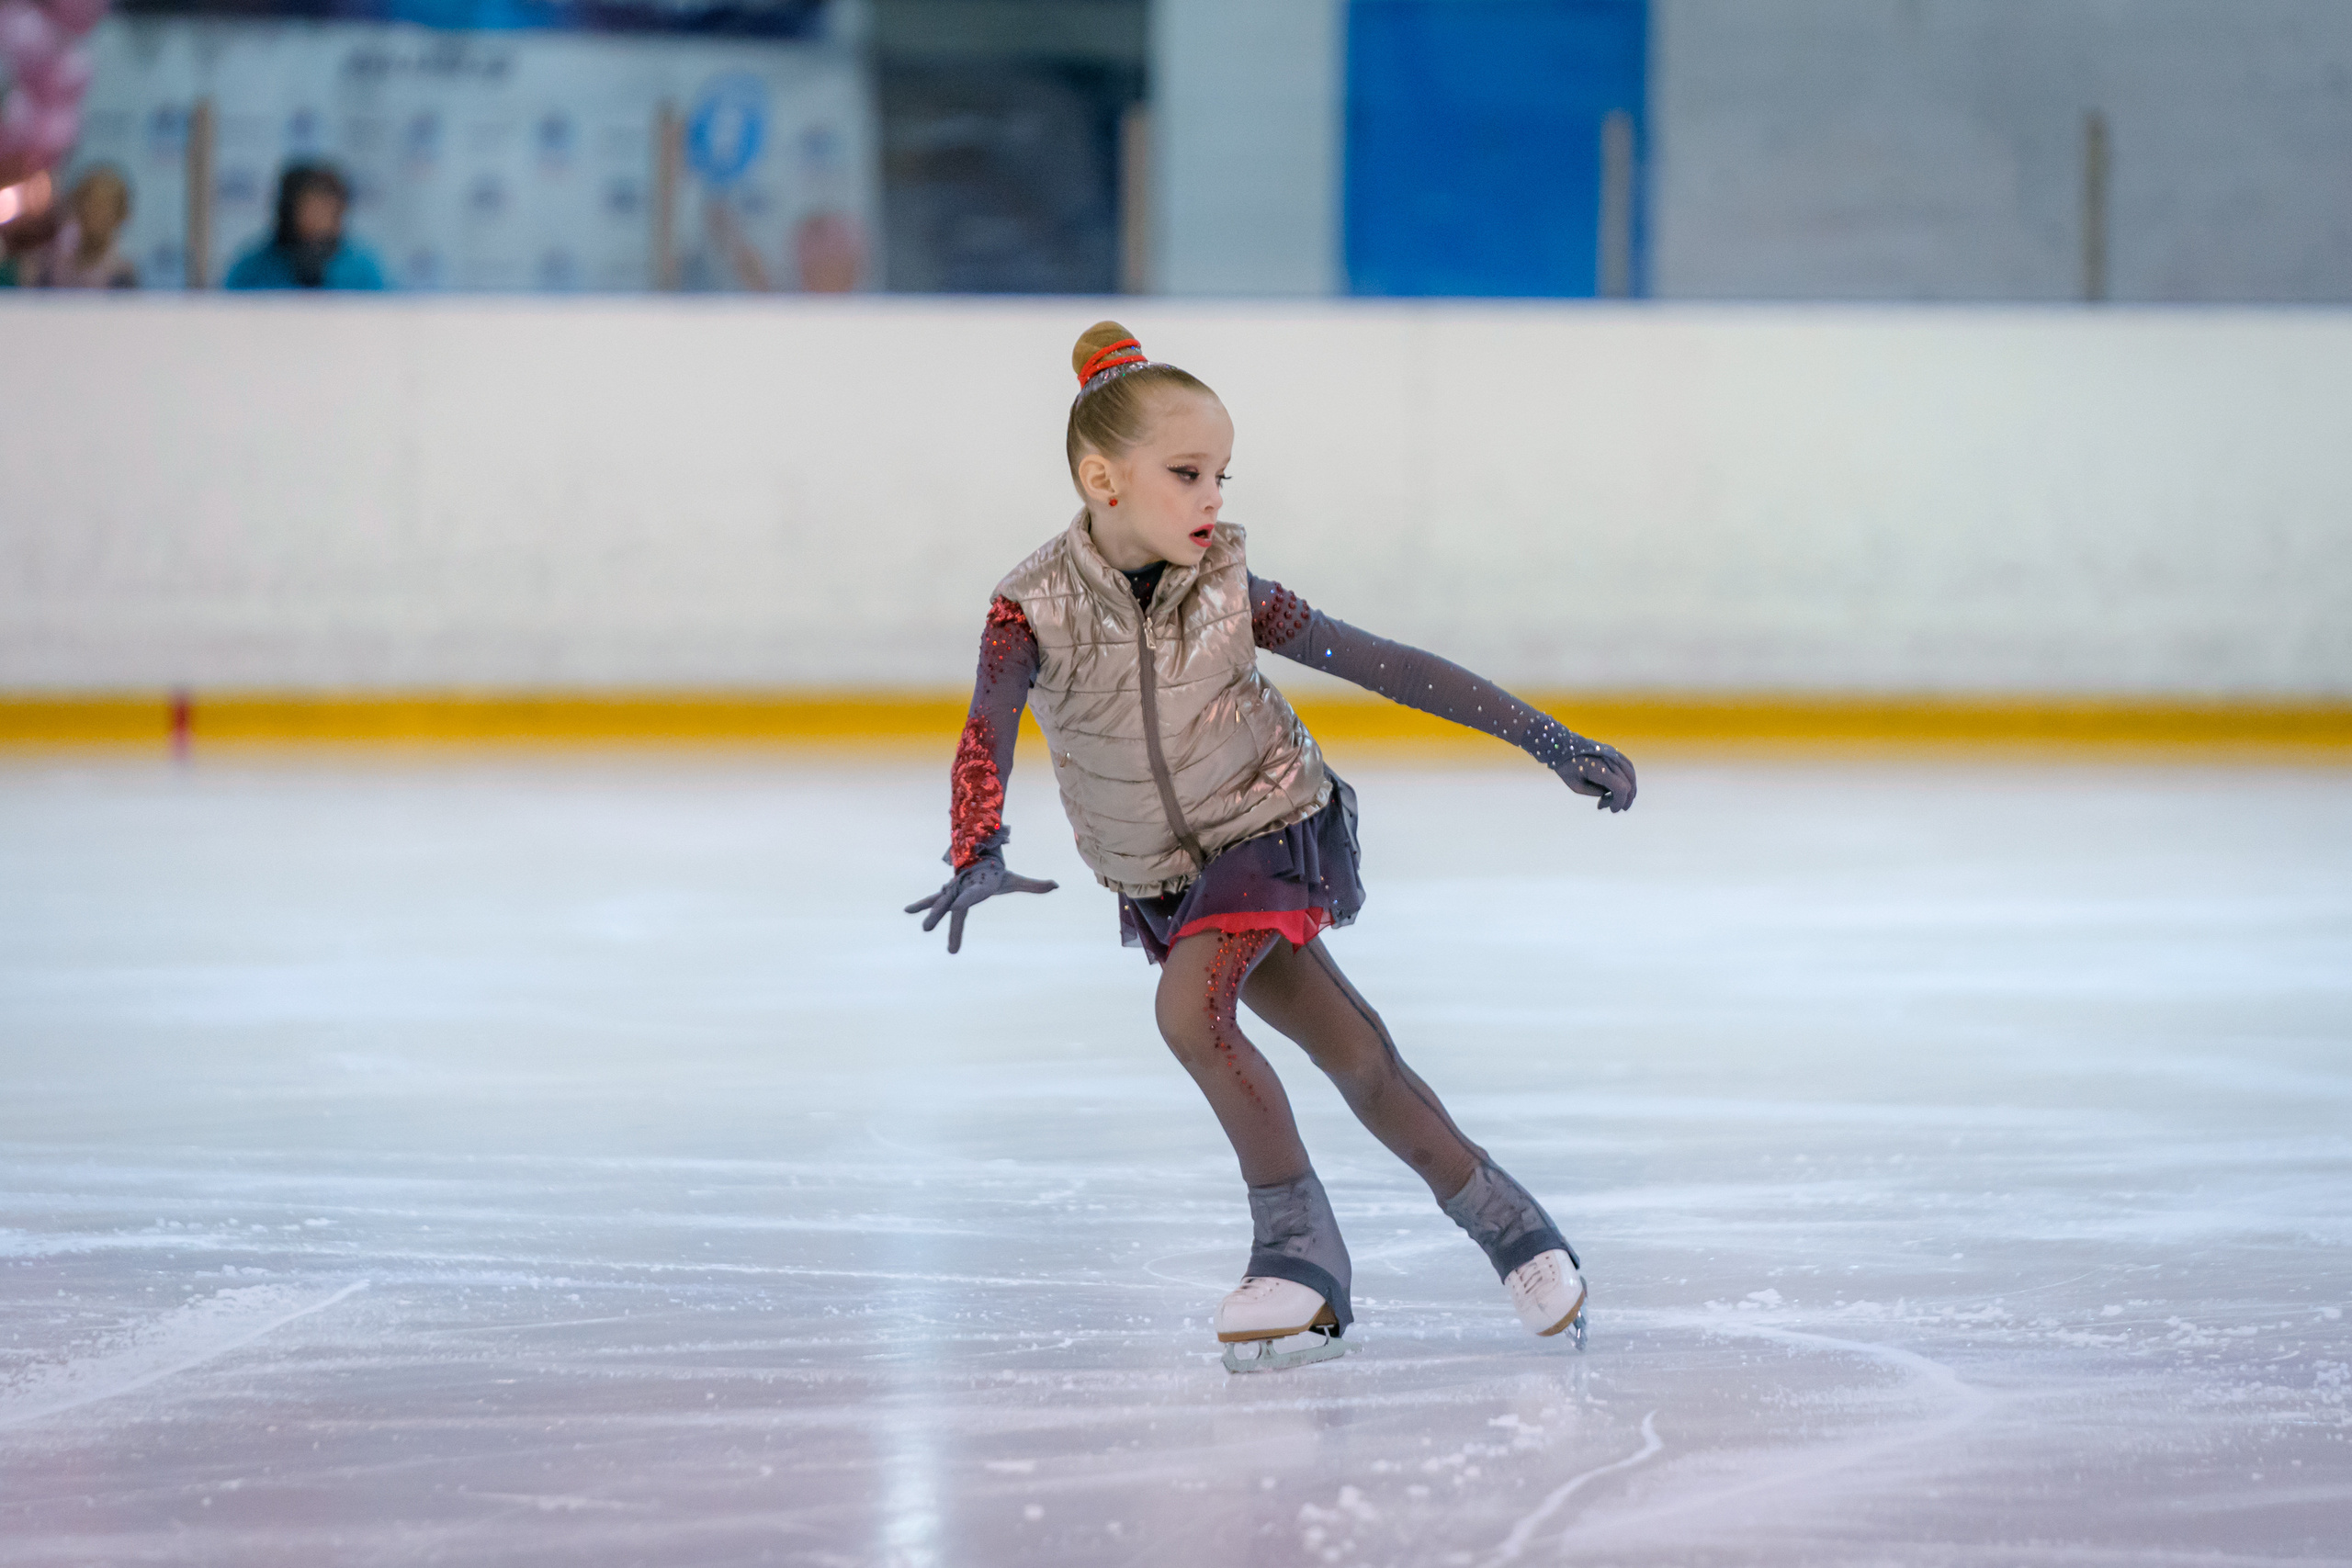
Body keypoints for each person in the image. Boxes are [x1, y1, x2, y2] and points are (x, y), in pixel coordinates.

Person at [906, 321, 1638, 1373]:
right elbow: (989, 724)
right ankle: (1513, 1226)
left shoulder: (1233, 591)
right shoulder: (1031, 609)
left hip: (1270, 824)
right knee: (1355, 1054)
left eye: (1222, 474)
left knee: (1189, 1015)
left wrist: (1547, 739)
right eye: (1187, 473)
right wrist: (974, 841)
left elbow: (1384, 664)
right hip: (1167, 871)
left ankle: (1297, 1252)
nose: (1213, 498)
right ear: (1100, 477)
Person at [224, 162, 385, 290]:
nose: (320, 218)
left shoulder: (363, 269)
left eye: (328, 208)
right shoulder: (253, 270)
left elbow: (391, 315)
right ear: (289, 210)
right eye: (311, 206)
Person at [17, 164, 137, 288]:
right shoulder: (48, 262)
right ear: (78, 206)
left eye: (105, 207)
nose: (96, 214)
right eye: (92, 204)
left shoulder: (122, 272)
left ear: (120, 214)